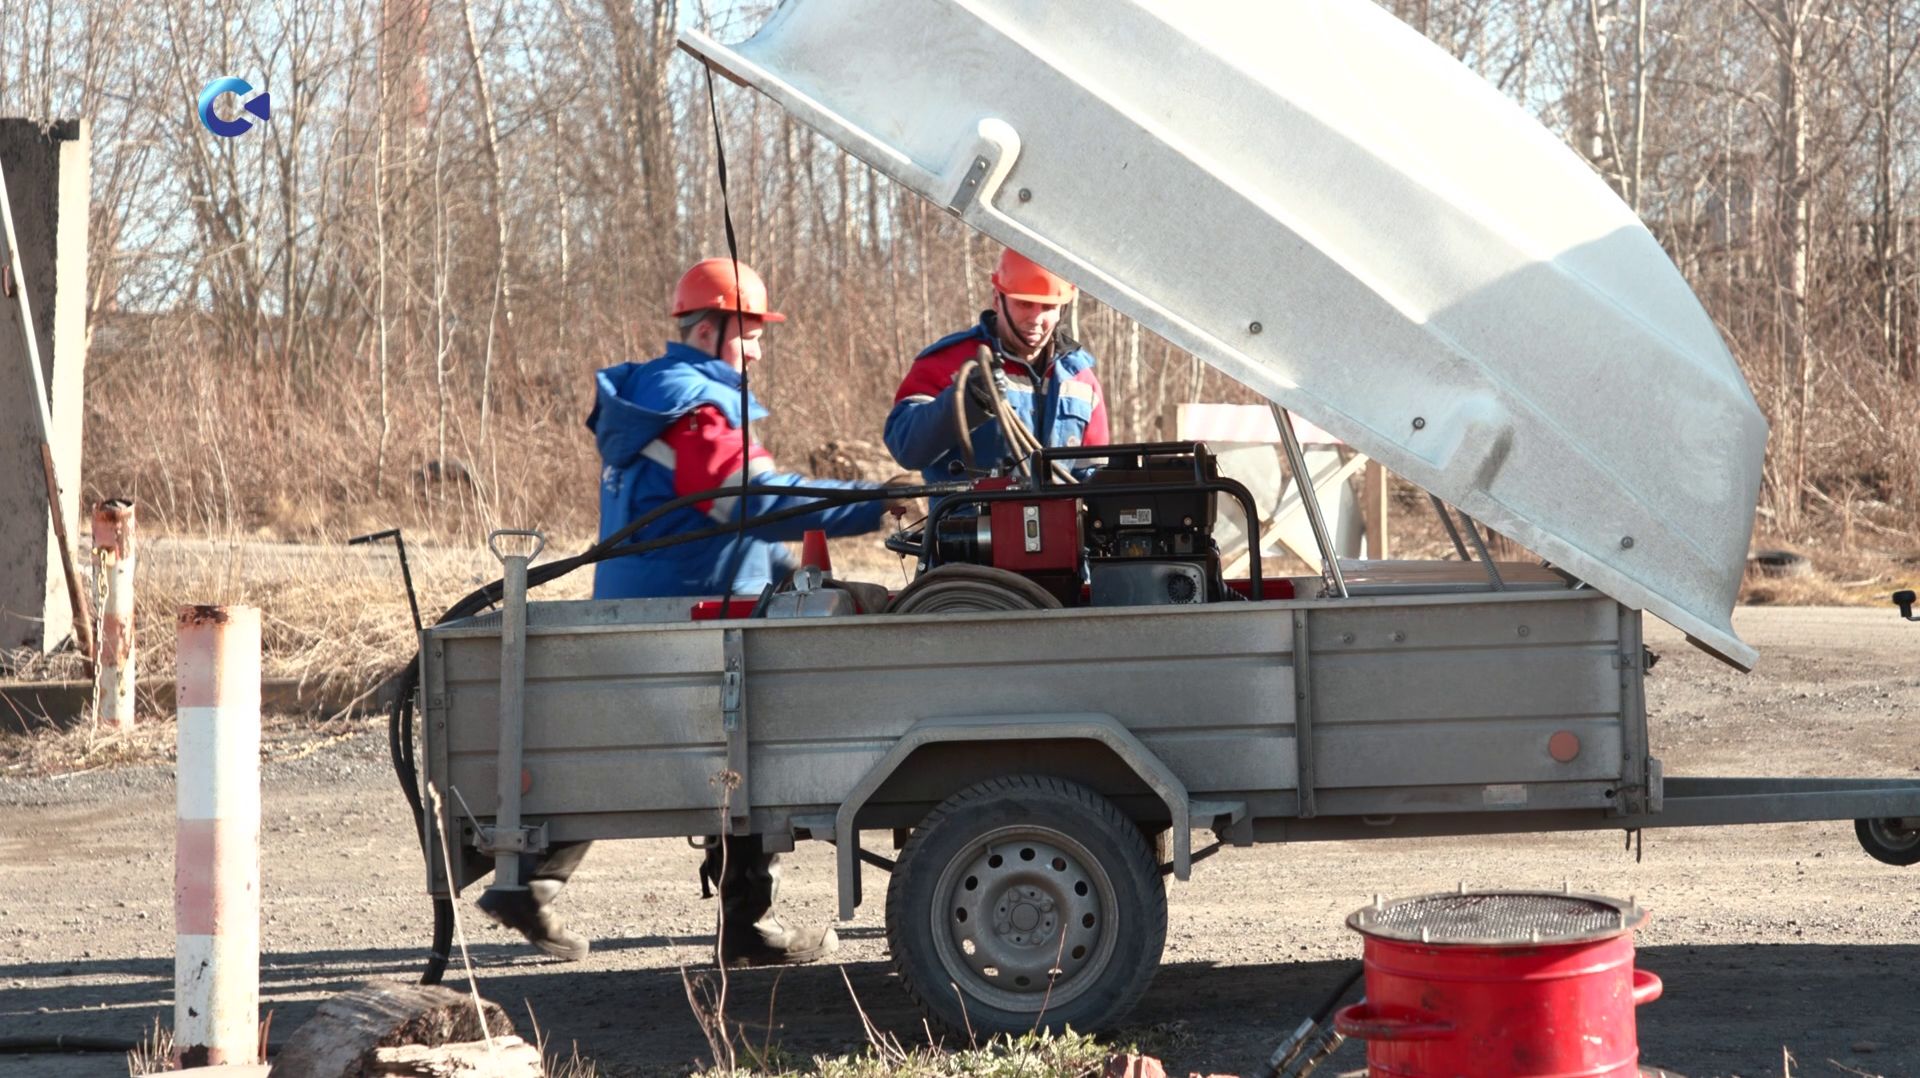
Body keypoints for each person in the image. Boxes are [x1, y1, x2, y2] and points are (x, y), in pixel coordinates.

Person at [475, 257, 911, 967]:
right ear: (708, 329)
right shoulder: (694, 410)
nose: (760, 348)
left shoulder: (663, 399)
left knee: (681, 760)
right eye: (750, 332)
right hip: (684, 620)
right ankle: (738, 924)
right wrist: (868, 500)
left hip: (663, 610)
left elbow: (717, 526)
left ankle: (535, 881)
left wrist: (797, 574)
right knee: (751, 754)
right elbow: (748, 501)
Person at [885, 248, 1109, 484]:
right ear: (997, 299)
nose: (1035, 319)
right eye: (1024, 304)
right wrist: (967, 402)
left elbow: (1093, 472)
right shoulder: (949, 363)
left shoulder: (1081, 378)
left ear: (1062, 310)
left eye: (1047, 308)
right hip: (970, 520)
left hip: (1060, 520)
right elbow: (906, 447)